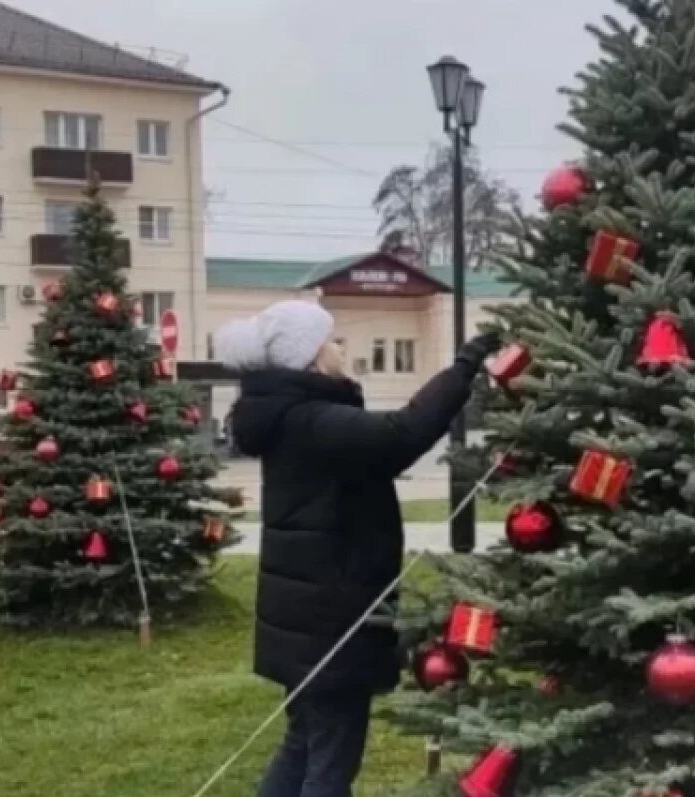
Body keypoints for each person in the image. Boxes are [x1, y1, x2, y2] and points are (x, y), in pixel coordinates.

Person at [213, 300, 500, 797]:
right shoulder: (312, 420)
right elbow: (401, 435)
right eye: (331, 339)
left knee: (305, 740)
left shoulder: (291, 416)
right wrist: (463, 369)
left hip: (308, 618)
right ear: (308, 357)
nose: (340, 347)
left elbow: (380, 448)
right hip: (331, 619)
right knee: (331, 760)